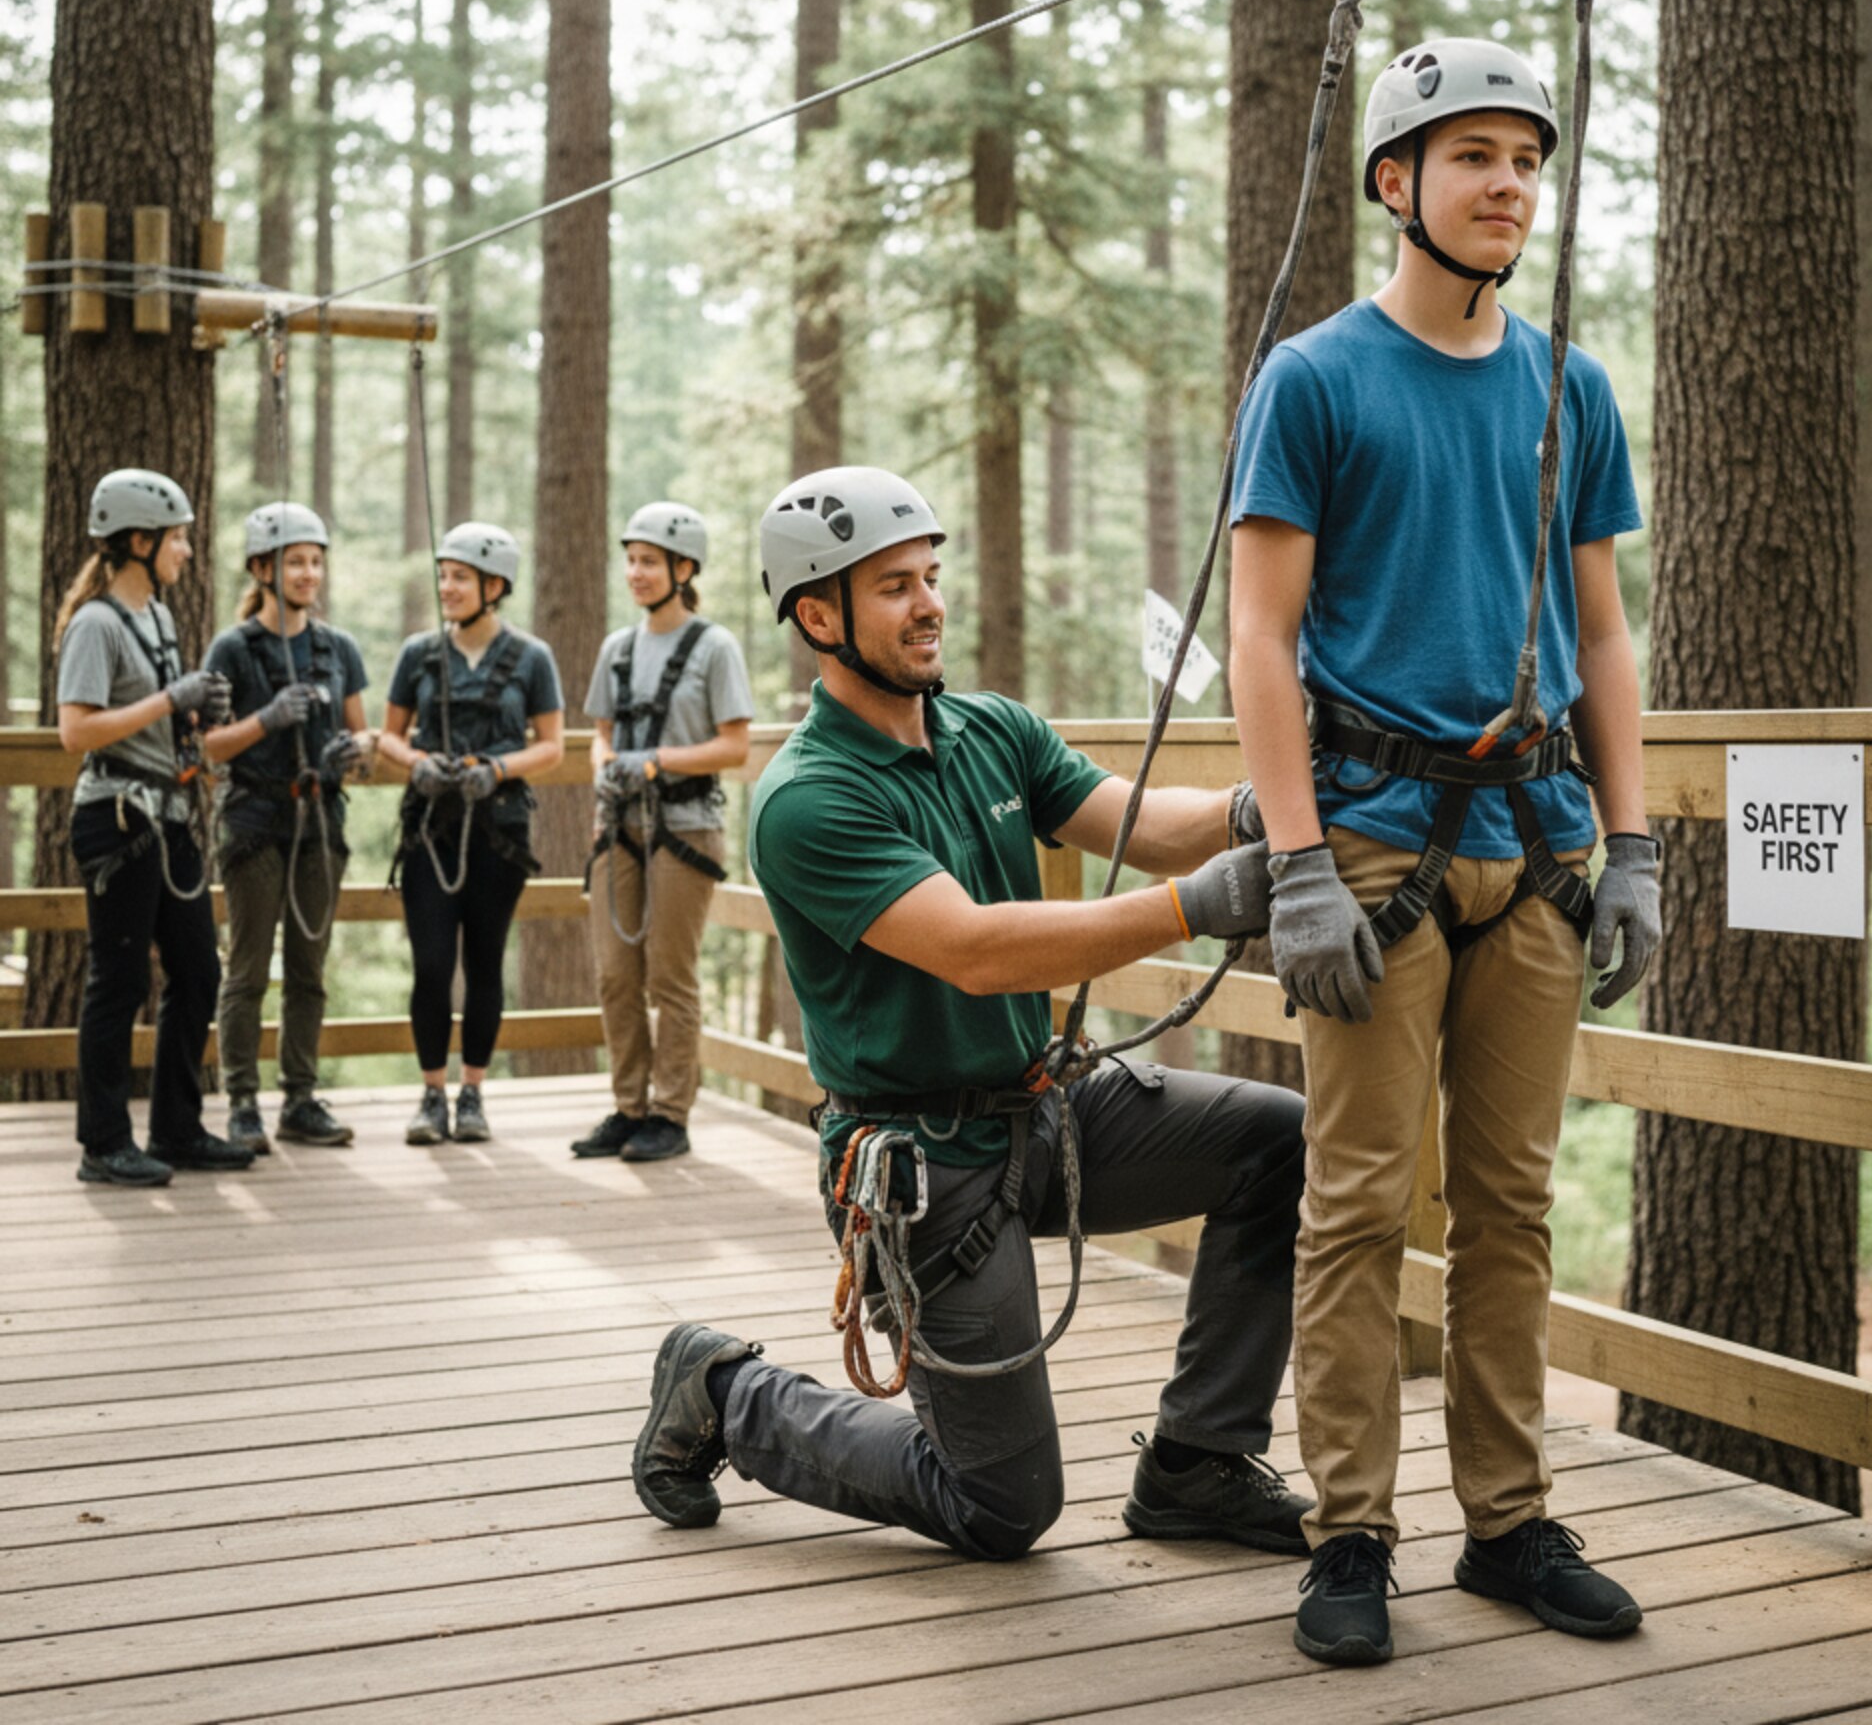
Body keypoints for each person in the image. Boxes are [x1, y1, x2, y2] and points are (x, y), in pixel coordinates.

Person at [627, 466, 1306, 1567]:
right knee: (999, 1505)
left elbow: (1139, 820)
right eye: (893, 585)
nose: (929, 602)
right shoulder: (808, 797)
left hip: (1046, 1108)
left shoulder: (990, 729)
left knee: (1274, 1139)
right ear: (816, 614)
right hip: (927, 1162)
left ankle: (1197, 1461)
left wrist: (1253, 807)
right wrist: (1198, 905)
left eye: (930, 577)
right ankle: (725, 1391)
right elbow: (975, 950)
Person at [1229, 37, 1663, 1666]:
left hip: (1537, 848)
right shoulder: (1316, 379)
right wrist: (1292, 864)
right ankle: (1347, 1528)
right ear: (1394, 182)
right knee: (1351, 1205)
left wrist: (1630, 842)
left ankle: (1508, 1516)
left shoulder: (1570, 388)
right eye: (1469, 154)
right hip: (1372, 844)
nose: (1505, 185)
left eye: (1523, 159)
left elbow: (1604, 639)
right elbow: (1260, 642)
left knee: (1510, 1203)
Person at [55, 469, 244, 1186]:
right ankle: (103, 1143)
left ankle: (176, 1128)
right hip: (118, 818)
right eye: (178, 537)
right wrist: (171, 698)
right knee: (120, 978)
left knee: (197, 971)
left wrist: (196, 715)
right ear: (141, 541)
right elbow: (77, 732)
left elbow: (158, 713)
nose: (187, 550)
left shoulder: (158, 618)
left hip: (166, 814)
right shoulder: (97, 624)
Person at [571, 503, 754, 1164]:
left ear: (683, 568)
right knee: (616, 974)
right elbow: (599, 737)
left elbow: (733, 747)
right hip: (619, 826)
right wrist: (608, 771)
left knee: (669, 975)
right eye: (631, 560)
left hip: (685, 828)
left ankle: (670, 1113)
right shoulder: (617, 649)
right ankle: (628, 1107)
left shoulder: (714, 648)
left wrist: (655, 762)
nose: (636, 573)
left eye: (649, 561)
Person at [378, 522, 563, 1147]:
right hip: (432, 830)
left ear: (494, 584)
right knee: (432, 965)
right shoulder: (419, 654)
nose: (446, 587)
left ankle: (474, 1093)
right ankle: (432, 1094)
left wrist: (498, 770)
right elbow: (388, 737)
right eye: (443, 575)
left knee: (484, 965)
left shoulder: (531, 658)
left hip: (499, 832)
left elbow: (554, 747)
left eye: (459, 577)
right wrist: (418, 764)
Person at [202, 504, 371, 1153]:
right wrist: (268, 719)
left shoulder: (338, 649)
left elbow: (364, 739)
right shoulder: (234, 648)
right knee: (247, 968)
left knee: (309, 966)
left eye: (315, 561)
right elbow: (211, 746)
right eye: (295, 561)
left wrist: (348, 756)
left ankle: (299, 1097)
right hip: (253, 821)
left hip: (319, 821)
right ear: (261, 568)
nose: (309, 573)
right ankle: (242, 1100)